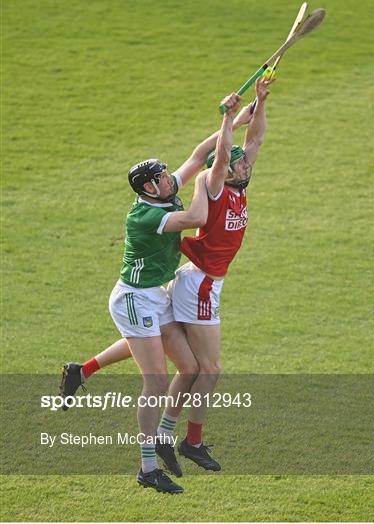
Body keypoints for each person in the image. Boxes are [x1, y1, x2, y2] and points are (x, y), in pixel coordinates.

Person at [59, 92, 247, 494]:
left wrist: (234, 119)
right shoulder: (149, 213)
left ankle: (96, 381)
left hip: (154, 295)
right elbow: (198, 215)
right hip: (133, 298)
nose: (170, 178)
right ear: (148, 186)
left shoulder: (159, 192)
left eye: (166, 174)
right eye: (162, 177)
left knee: (192, 368)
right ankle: (146, 467)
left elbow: (199, 154)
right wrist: (203, 182)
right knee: (156, 382)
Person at [167, 75, 274, 473]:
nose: (245, 163)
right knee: (207, 370)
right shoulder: (215, 187)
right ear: (223, 172)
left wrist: (260, 102)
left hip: (204, 281)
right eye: (236, 163)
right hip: (201, 284)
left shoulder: (240, 185)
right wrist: (229, 119)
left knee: (186, 364)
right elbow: (224, 155)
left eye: (244, 163)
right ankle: (189, 442)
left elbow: (256, 141)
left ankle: (168, 433)